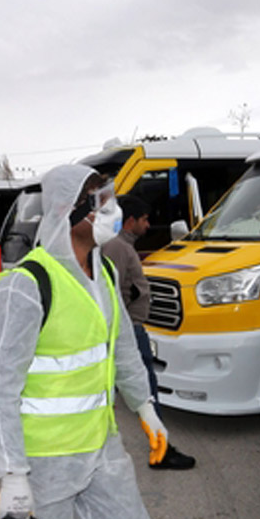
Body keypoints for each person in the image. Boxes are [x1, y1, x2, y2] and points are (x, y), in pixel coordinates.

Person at [0, 164, 169, 519]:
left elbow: (121, 346)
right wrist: (11, 473)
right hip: (44, 462)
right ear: (71, 210)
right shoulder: (27, 283)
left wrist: (145, 406)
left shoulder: (104, 270)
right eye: (102, 202)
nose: (113, 211)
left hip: (101, 445)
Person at [102, 194, 195, 471]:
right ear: (130, 221)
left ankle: (158, 446)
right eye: (144, 219)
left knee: (139, 388)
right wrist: (122, 331)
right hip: (128, 330)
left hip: (131, 327)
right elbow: (113, 292)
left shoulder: (122, 246)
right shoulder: (117, 247)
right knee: (145, 389)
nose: (148, 225)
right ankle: (161, 450)